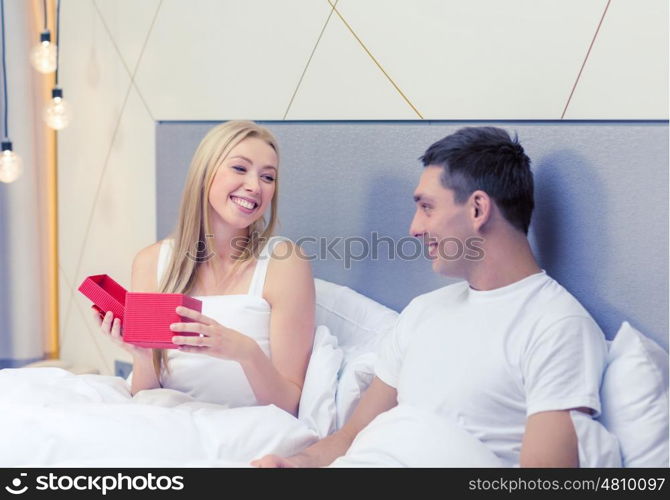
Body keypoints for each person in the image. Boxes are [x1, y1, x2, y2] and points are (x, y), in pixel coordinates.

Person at [253, 126, 608, 466]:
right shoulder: (424, 311)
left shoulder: (557, 326)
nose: (414, 228)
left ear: (477, 209)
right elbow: (350, 439)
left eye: (427, 207)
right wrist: (295, 465)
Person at [94, 120, 315, 416]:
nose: (255, 186)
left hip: (249, 429)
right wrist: (142, 355)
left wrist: (245, 352)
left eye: (268, 177)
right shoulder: (151, 263)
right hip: (170, 421)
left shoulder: (285, 264)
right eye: (239, 168)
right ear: (204, 174)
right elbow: (146, 397)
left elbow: (289, 405)